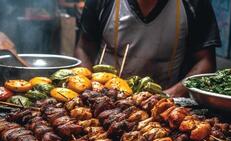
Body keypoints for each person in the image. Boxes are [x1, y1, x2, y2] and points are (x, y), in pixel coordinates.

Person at [75, 0, 221, 97]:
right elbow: (84, 48)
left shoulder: (194, 3)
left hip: (166, 102)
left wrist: (168, 96)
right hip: (105, 99)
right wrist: (88, 90)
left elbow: (205, 61)